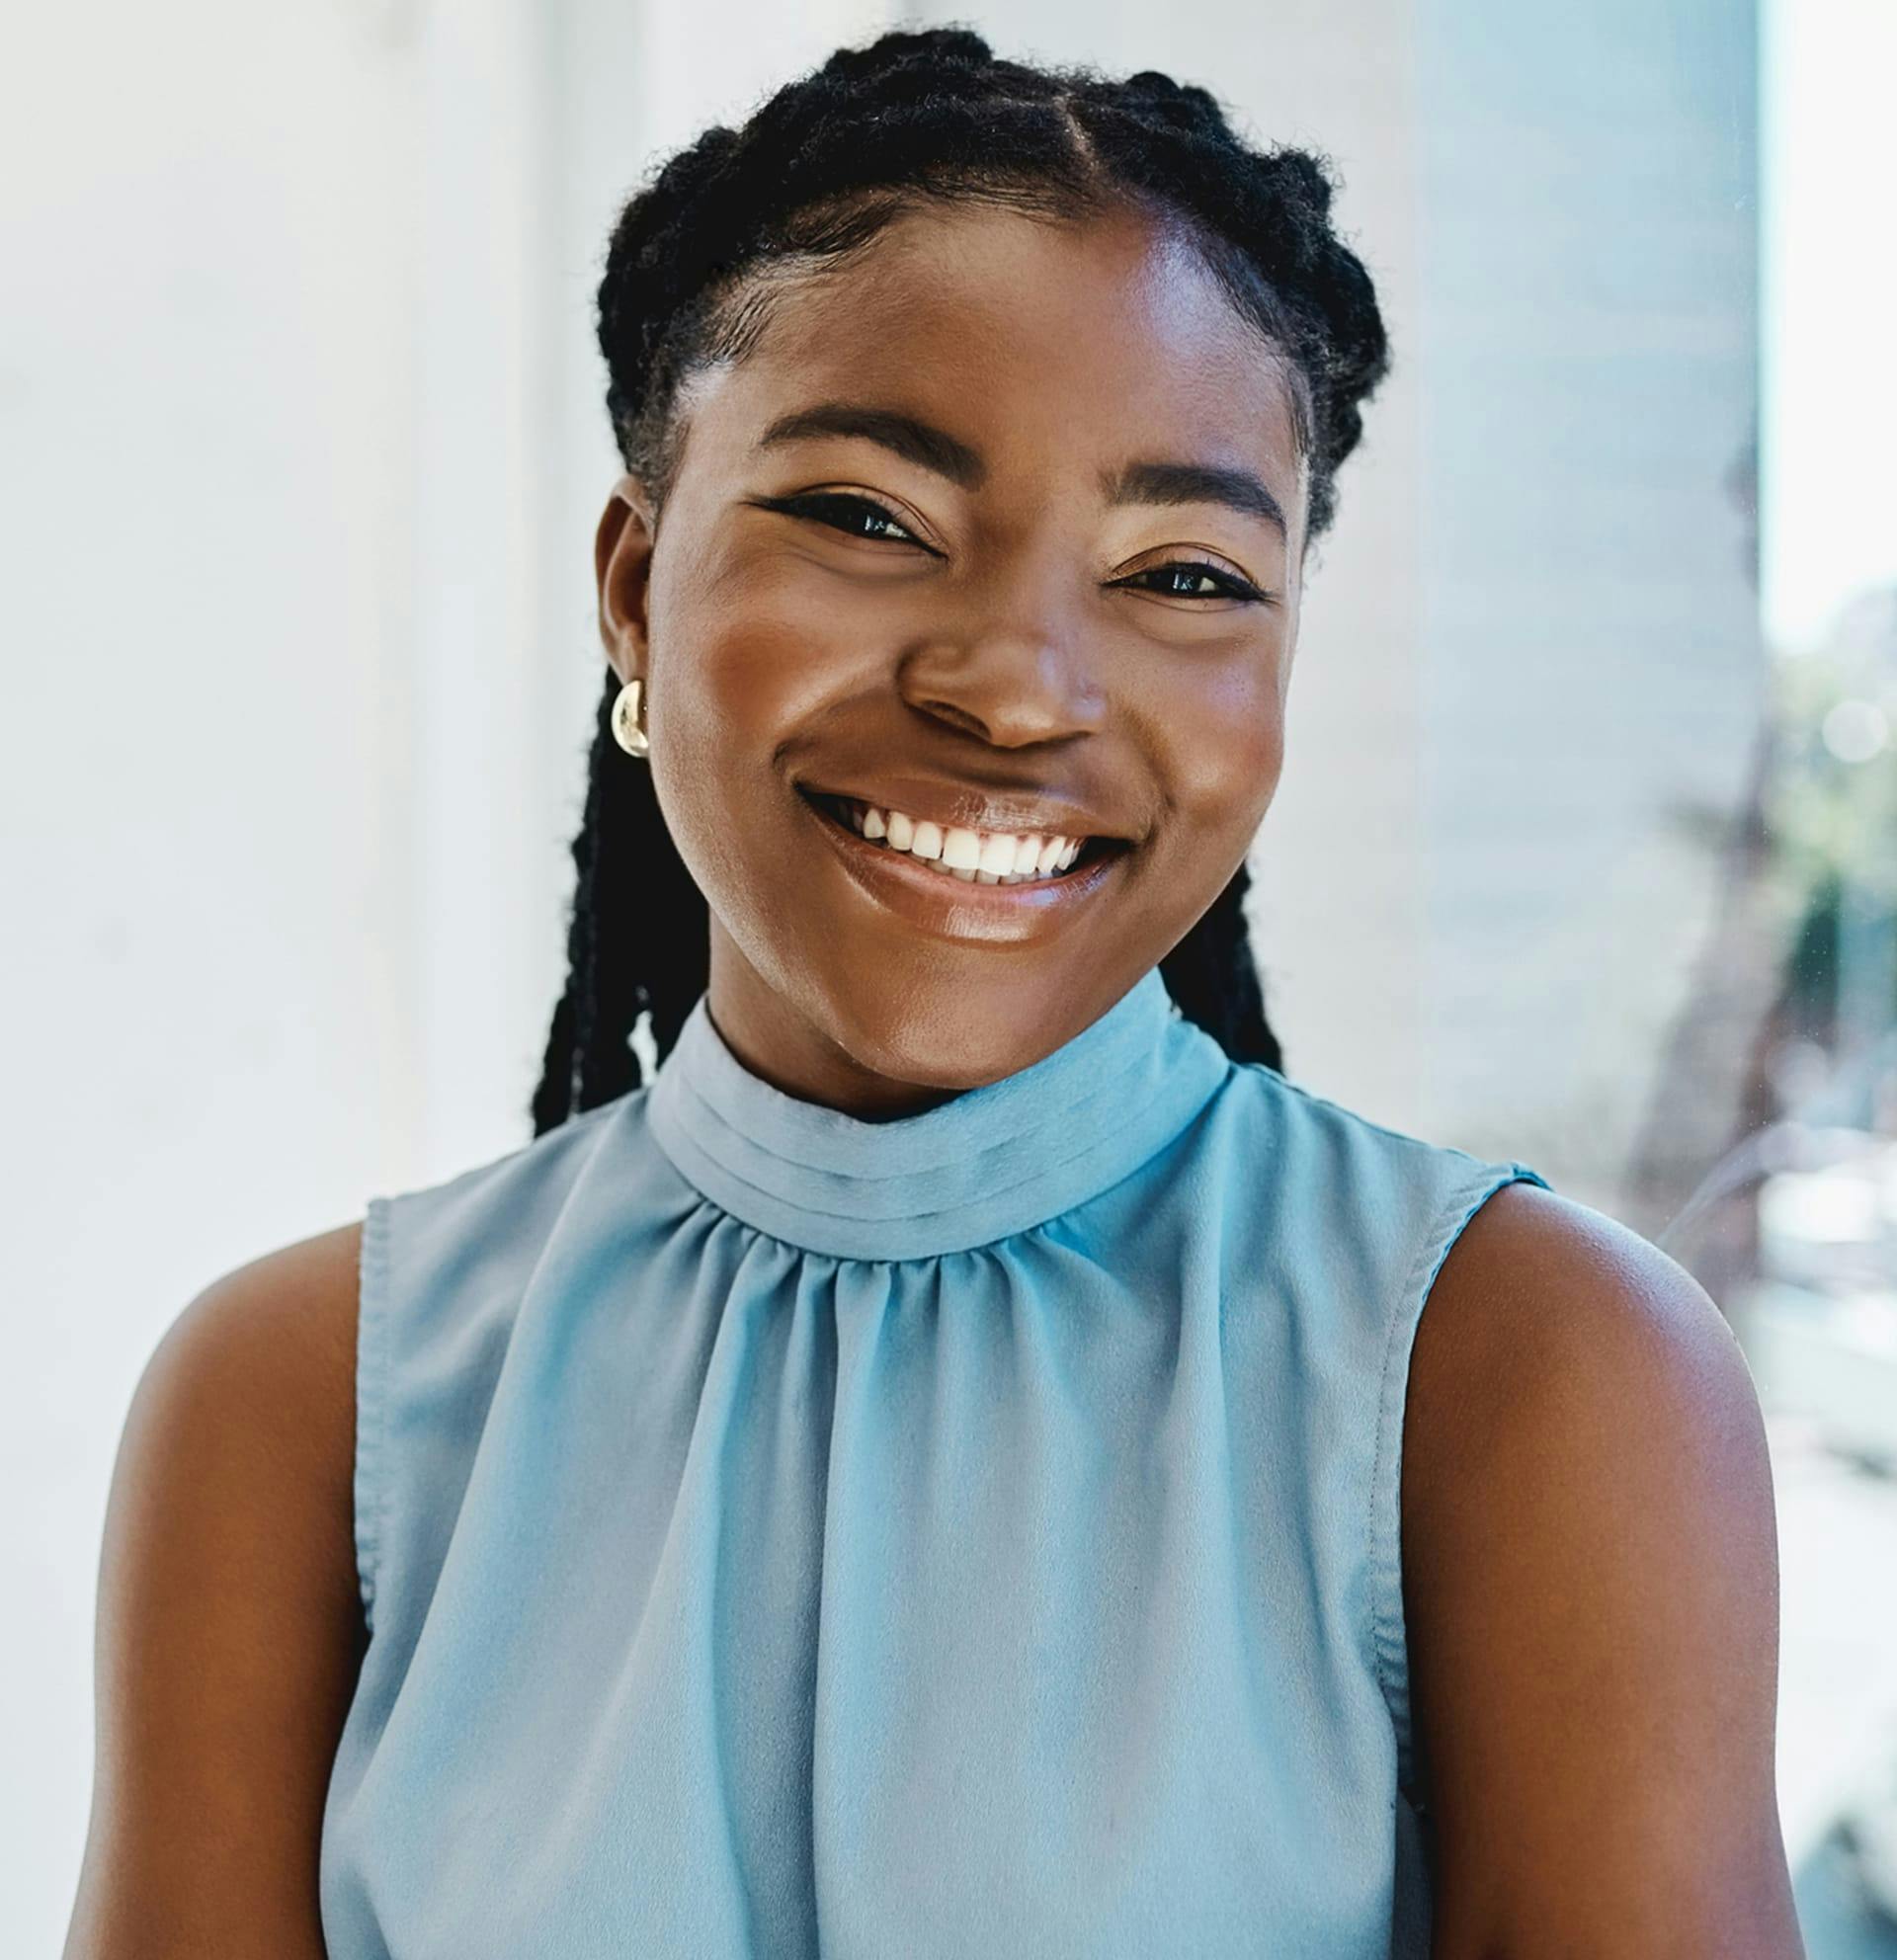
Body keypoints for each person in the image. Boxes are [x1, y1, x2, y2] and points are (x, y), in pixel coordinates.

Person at [64, 29, 1803, 1960]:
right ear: (635, 586)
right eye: (870, 517)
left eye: (1186, 574)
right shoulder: (301, 1406)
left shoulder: (1531, 1375)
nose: (1019, 686)